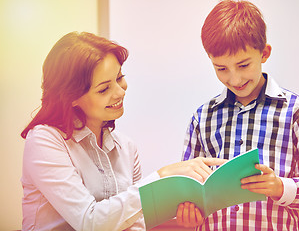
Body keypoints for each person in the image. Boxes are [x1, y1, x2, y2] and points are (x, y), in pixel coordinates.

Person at [20, 31, 225, 230]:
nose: (120, 91)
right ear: (71, 97)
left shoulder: (126, 147)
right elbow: (89, 222)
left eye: (119, 78)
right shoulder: (44, 140)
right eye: (103, 89)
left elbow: (136, 223)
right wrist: (161, 177)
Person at [181, 0, 299, 230]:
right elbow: (188, 187)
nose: (235, 79)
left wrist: (280, 187)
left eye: (243, 65)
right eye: (221, 69)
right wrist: (189, 209)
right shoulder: (202, 117)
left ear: (264, 53)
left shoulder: (296, 111)